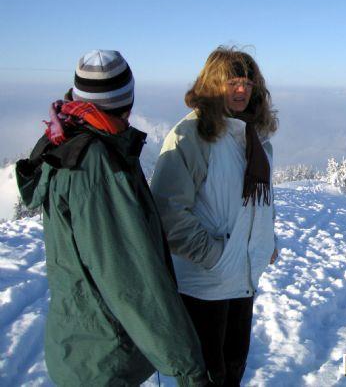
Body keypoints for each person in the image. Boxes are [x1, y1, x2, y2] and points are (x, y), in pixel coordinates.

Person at [15, 50, 207, 386]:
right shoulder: (97, 168)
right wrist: (188, 367)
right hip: (103, 360)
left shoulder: (68, 138)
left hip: (81, 344)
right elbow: (133, 282)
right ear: (128, 100)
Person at [150, 47, 279, 386]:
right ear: (212, 84)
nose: (241, 90)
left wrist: (267, 241)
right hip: (204, 284)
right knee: (206, 376)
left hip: (242, 276)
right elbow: (168, 211)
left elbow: (259, 201)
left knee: (233, 369)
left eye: (247, 83)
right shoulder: (192, 136)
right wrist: (216, 257)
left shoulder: (253, 135)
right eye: (231, 82)